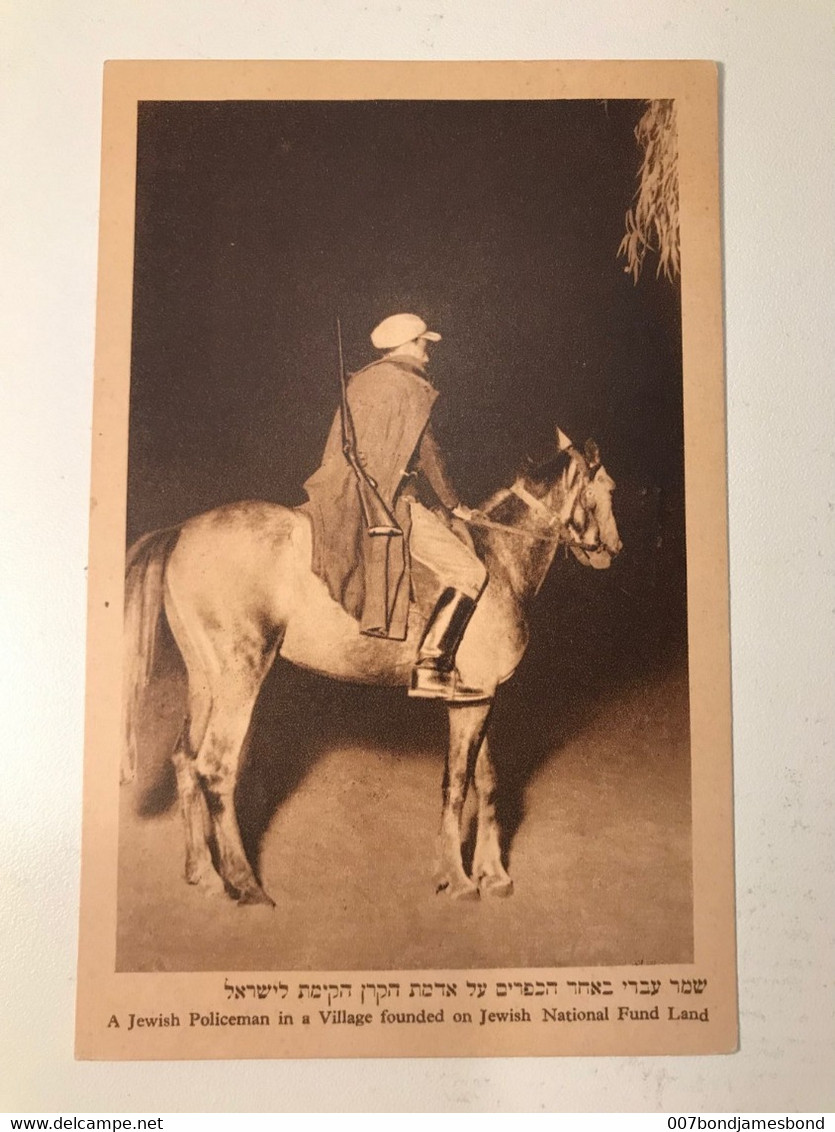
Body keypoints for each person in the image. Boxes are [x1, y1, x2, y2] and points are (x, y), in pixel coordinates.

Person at [302, 312, 488, 702]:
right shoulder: (411, 386)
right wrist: (455, 506)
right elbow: (430, 455)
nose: (428, 354)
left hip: (346, 495)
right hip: (391, 501)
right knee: (470, 571)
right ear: (407, 345)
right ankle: (432, 667)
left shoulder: (361, 381)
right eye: (424, 345)